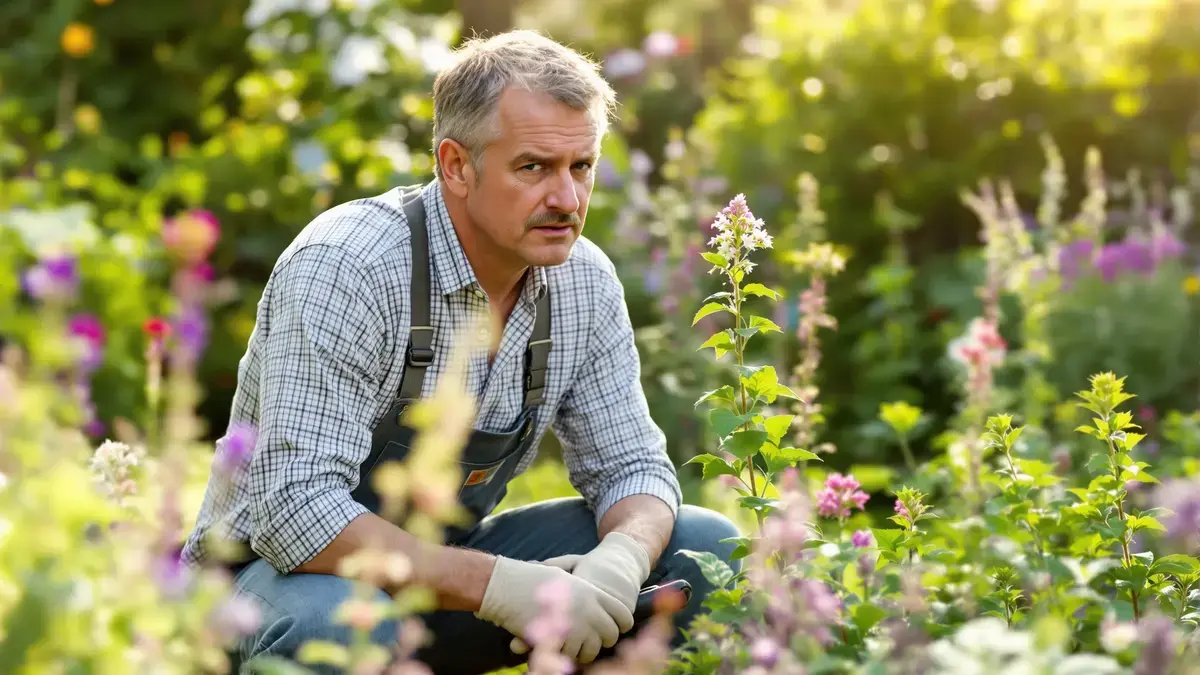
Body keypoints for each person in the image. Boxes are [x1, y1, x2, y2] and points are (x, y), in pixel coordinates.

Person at [180, 29, 742, 674]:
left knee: (706, 552)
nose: (567, 199)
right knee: (331, 619)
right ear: (455, 165)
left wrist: (622, 561)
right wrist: (502, 587)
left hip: (441, 584)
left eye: (580, 166)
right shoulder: (349, 268)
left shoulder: (583, 281)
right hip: (268, 592)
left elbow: (633, 467)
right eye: (533, 167)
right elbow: (295, 510)